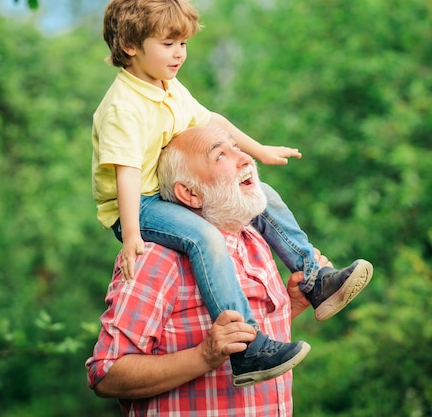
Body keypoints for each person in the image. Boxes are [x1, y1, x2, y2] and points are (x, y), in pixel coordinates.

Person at [92, 0, 373, 385]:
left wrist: (259, 150)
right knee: (205, 237)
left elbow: (214, 121)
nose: (180, 54)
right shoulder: (124, 106)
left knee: (263, 196)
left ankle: (315, 279)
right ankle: (248, 348)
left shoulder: (166, 86)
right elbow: (127, 172)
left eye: (184, 44)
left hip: (164, 195)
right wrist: (133, 234)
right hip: (137, 203)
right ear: (132, 46)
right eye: (168, 44)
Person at [87, 125, 334, 415]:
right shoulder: (156, 257)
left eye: (236, 147)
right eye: (220, 156)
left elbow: (239, 340)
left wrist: (290, 306)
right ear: (190, 194)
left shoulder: (254, 242)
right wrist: (204, 356)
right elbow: (106, 373)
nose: (244, 159)